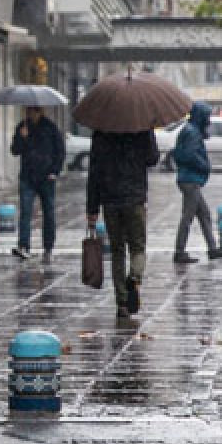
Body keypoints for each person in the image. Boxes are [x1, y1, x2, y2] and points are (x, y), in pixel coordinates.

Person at [86, 129, 160, 318]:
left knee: (117, 250)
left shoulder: (102, 132)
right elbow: (153, 158)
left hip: (110, 199)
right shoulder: (141, 128)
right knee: (138, 247)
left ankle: (122, 302)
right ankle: (134, 277)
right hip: (134, 198)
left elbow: (94, 172)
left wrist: (92, 208)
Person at [9, 106, 65, 263]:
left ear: (40, 111)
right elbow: (15, 150)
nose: (29, 113)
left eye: (33, 111)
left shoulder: (50, 128)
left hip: (47, 178)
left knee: (49, 213)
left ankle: (48, 247)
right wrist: (22, 138)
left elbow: (60, 151)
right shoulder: (22, 127)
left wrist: (55, 171)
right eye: (28, 110)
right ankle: (24, 246)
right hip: (28, 177)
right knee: (25, 213)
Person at [172, 101, 222, 264]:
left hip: (189, 179)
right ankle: (179, 252)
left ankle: (212, 248)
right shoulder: (192, 132)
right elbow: (189, 155)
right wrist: (204, 166)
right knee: (187, 217)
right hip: (190, 180)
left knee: (204, 215)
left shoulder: (191, 130)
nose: (208, 120)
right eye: (207, 116)